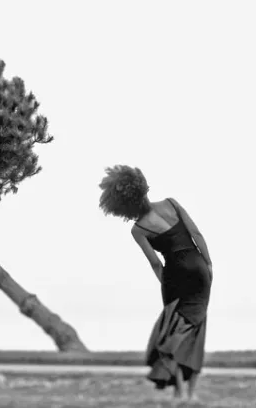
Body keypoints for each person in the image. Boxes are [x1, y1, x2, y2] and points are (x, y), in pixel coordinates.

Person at [98, 165, 213, 403]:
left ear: (121, 206)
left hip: (174, 276)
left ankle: (180, 392)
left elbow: (155, 264)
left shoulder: (138, 229)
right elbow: (197, 235)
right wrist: (208, 264)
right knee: (196, 328)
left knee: (172, 334)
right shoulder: (171, 203)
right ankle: (191, 394)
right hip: (199, 268)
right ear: (141, 187)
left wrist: (168, 285)